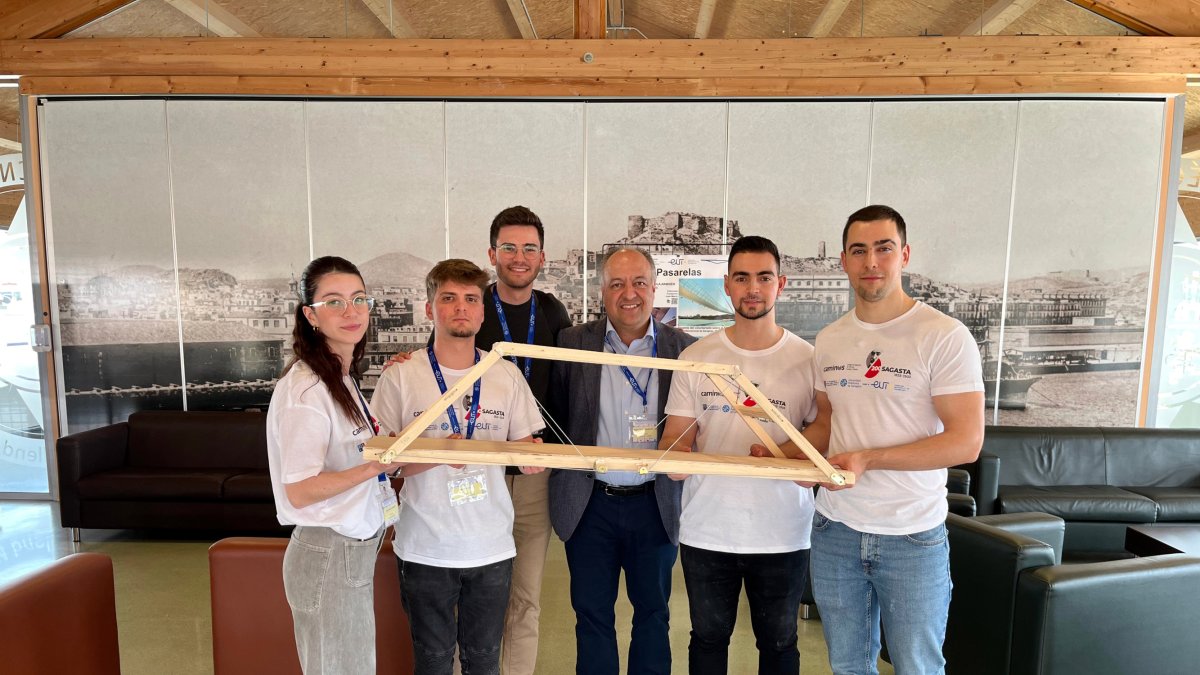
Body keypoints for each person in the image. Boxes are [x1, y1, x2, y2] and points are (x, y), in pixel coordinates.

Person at [807, 205, 985, 675]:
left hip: (913, 534)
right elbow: (826, 425)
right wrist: (787, 457)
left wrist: (870, 458)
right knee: (847, 666)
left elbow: (965, 442)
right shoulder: (828, 339)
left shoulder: (944, 336)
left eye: (883, 249)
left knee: (917, 667)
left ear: (903, 255)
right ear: (843, 261)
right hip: (834, 530)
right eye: (858, 250)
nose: (871, 262)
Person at [371, 258, 546, 675]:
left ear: (482, 311)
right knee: (432, 660)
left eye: (470, 299)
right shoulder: (400, 375)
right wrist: (433, 452)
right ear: (430, 308)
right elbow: (383, 464)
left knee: (483, 659)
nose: (460, 308)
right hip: (423, 546)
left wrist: (531, 458)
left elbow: (523, 448)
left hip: (491, 545)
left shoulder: (504, 375)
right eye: (448, 298)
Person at [659, 235, 816, 675]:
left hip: (783, 530)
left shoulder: (808, 360)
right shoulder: (697, 357)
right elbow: (678, 435)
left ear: (780, 284)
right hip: (708, 528)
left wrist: (787, 457)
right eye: (742, 278)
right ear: (726, 285)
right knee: (708, 639)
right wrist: (672, 458)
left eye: (764, 277)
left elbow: (820, 435)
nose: (753, 288)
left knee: (781, 643)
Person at [547, 247, 697, 675]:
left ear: (654, 289)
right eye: (616, 284)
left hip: (655, 502)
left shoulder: (684, 349)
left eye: (638, 283)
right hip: (590, 503)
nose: (628, 294)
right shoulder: (573, 343)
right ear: (602, 291)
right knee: (592, 616)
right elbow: (557, 413)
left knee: (654, 616)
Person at [266, 255, 407, 674]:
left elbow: (357, 456)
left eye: (359, 298)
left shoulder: (340, 378)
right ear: (310, 314)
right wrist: (376, 464)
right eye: (334, 302)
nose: (351, 311)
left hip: (349, 554)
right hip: (329, 553)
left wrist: (401, 456)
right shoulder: (307, 389)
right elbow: (301, 489)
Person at [479, 206, 573, 675]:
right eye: (510, 248)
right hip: (480, 470)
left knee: (525, 600)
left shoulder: (554, 311)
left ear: (543, 257)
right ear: (493, 253)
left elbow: (567, 385)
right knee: (474, 596)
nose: (520, 257)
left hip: (535, 474)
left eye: (529, 248)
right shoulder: (473, 306)